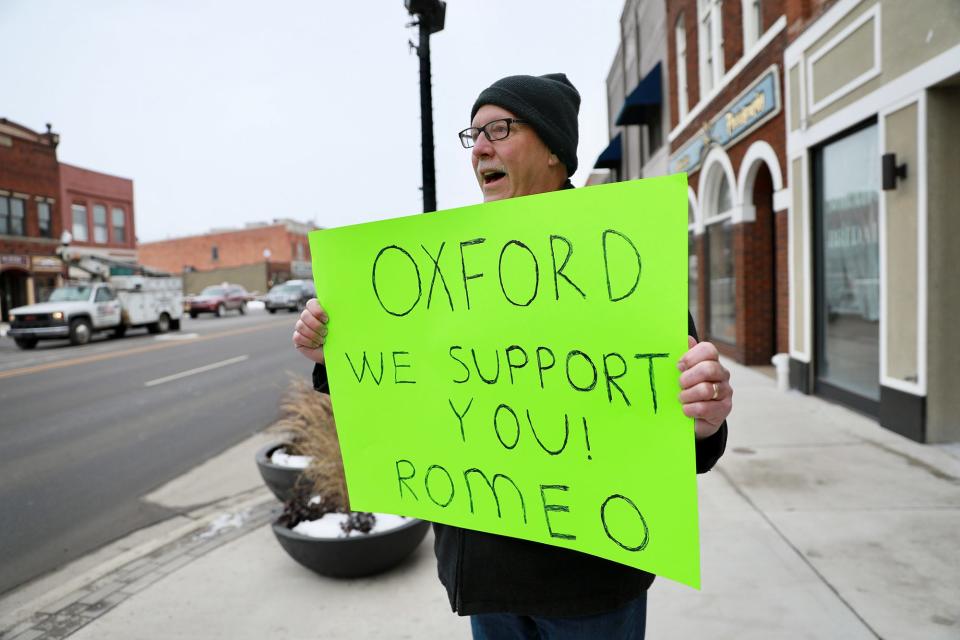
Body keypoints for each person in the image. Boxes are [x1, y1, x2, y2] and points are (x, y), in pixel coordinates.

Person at [293, 73, 732, 640]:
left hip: (590, 584)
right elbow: (409, 387)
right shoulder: (447, 268)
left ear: (554, 150)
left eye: (499, 129)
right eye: (472, 135)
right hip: (486, 578)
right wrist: (335, 353)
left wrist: (706, 419)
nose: (480, 148)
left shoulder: (622, 256)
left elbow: (690, 442)